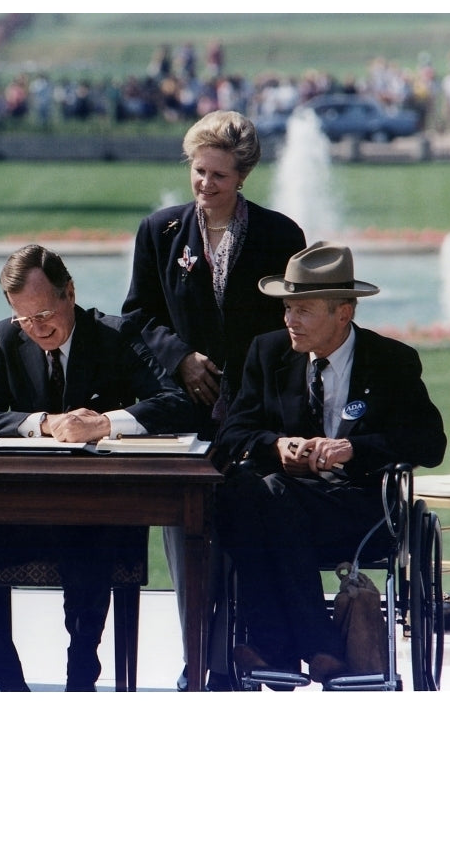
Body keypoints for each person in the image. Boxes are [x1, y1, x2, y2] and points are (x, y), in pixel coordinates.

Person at [0, 244, 193, 691]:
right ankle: (4, 677)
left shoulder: (116, 335)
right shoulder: (6, 338)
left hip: (103, 514)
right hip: (28, 512)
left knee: (89, 534)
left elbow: (176, 404)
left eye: (45, 313)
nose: (37, 328)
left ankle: (81, 673)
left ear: (69, 292)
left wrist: (106, 423)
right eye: (25, 318)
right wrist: (43, 423)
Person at [120, 109, 306, 690]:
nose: (205, 185)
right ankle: (198, 658)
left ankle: (248, 654)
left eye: (218, 176)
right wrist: (180, 357)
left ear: (242, 176)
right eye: (198, 172)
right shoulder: (160, 231)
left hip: (256, 414)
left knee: (247, 523)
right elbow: (136, 315)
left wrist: (250, 383)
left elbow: (292, 325)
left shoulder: (280, 235)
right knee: (186, 532)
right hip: (183, 412)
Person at [211, 242, 446, 683]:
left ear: (344, 312)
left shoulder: (391, 362)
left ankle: (277, 647)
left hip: (359, 505)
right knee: (244, 490)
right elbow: (232, 434)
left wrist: (354, 449)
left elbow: (430, 444)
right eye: (287, 308)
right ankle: (316, 646)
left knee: (260, 498)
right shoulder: (268, 353)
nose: (289, 320)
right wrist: (277, 445)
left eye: (303, 310)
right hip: (282, 503)